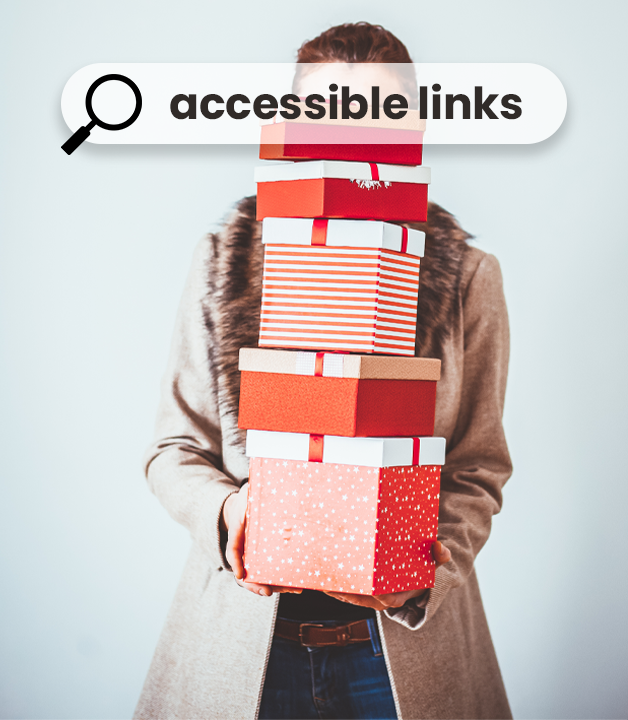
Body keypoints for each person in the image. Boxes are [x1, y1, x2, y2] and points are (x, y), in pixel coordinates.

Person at [133, 22, 513, 720]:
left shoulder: (467, 276)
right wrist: (230, 510)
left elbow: (477, 467)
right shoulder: (224, 257)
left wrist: (422, 573)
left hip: (401, 648)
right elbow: (173, 449)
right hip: (245, 644)